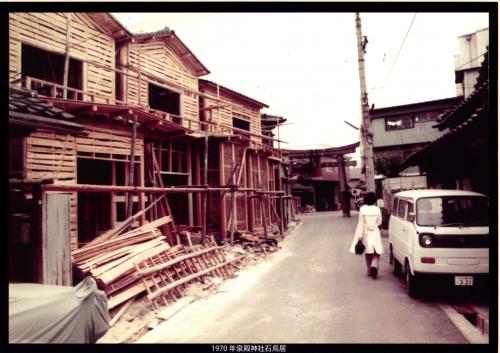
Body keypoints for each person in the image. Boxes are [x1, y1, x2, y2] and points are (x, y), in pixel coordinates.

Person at [349, 191, 383, 278]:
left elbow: (361, 224)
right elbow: (379, 222)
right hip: (375, 232)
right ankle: (374, 266)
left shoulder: (362, 209)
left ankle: (369, 270)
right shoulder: (377, 209)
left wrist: (359, 237)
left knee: (367, 252)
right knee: (377, 251)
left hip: (366, 233)